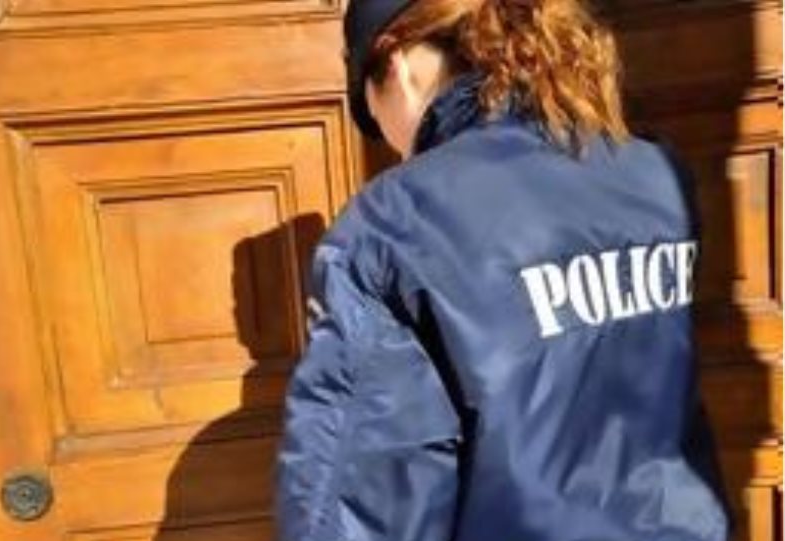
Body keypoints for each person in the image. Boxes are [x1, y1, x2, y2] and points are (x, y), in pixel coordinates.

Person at [272, 0, 733, 540]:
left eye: (372, 116)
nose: (391, 142)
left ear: (395, 65)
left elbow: (359, 498)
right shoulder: (653, 174)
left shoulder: (394, 226)